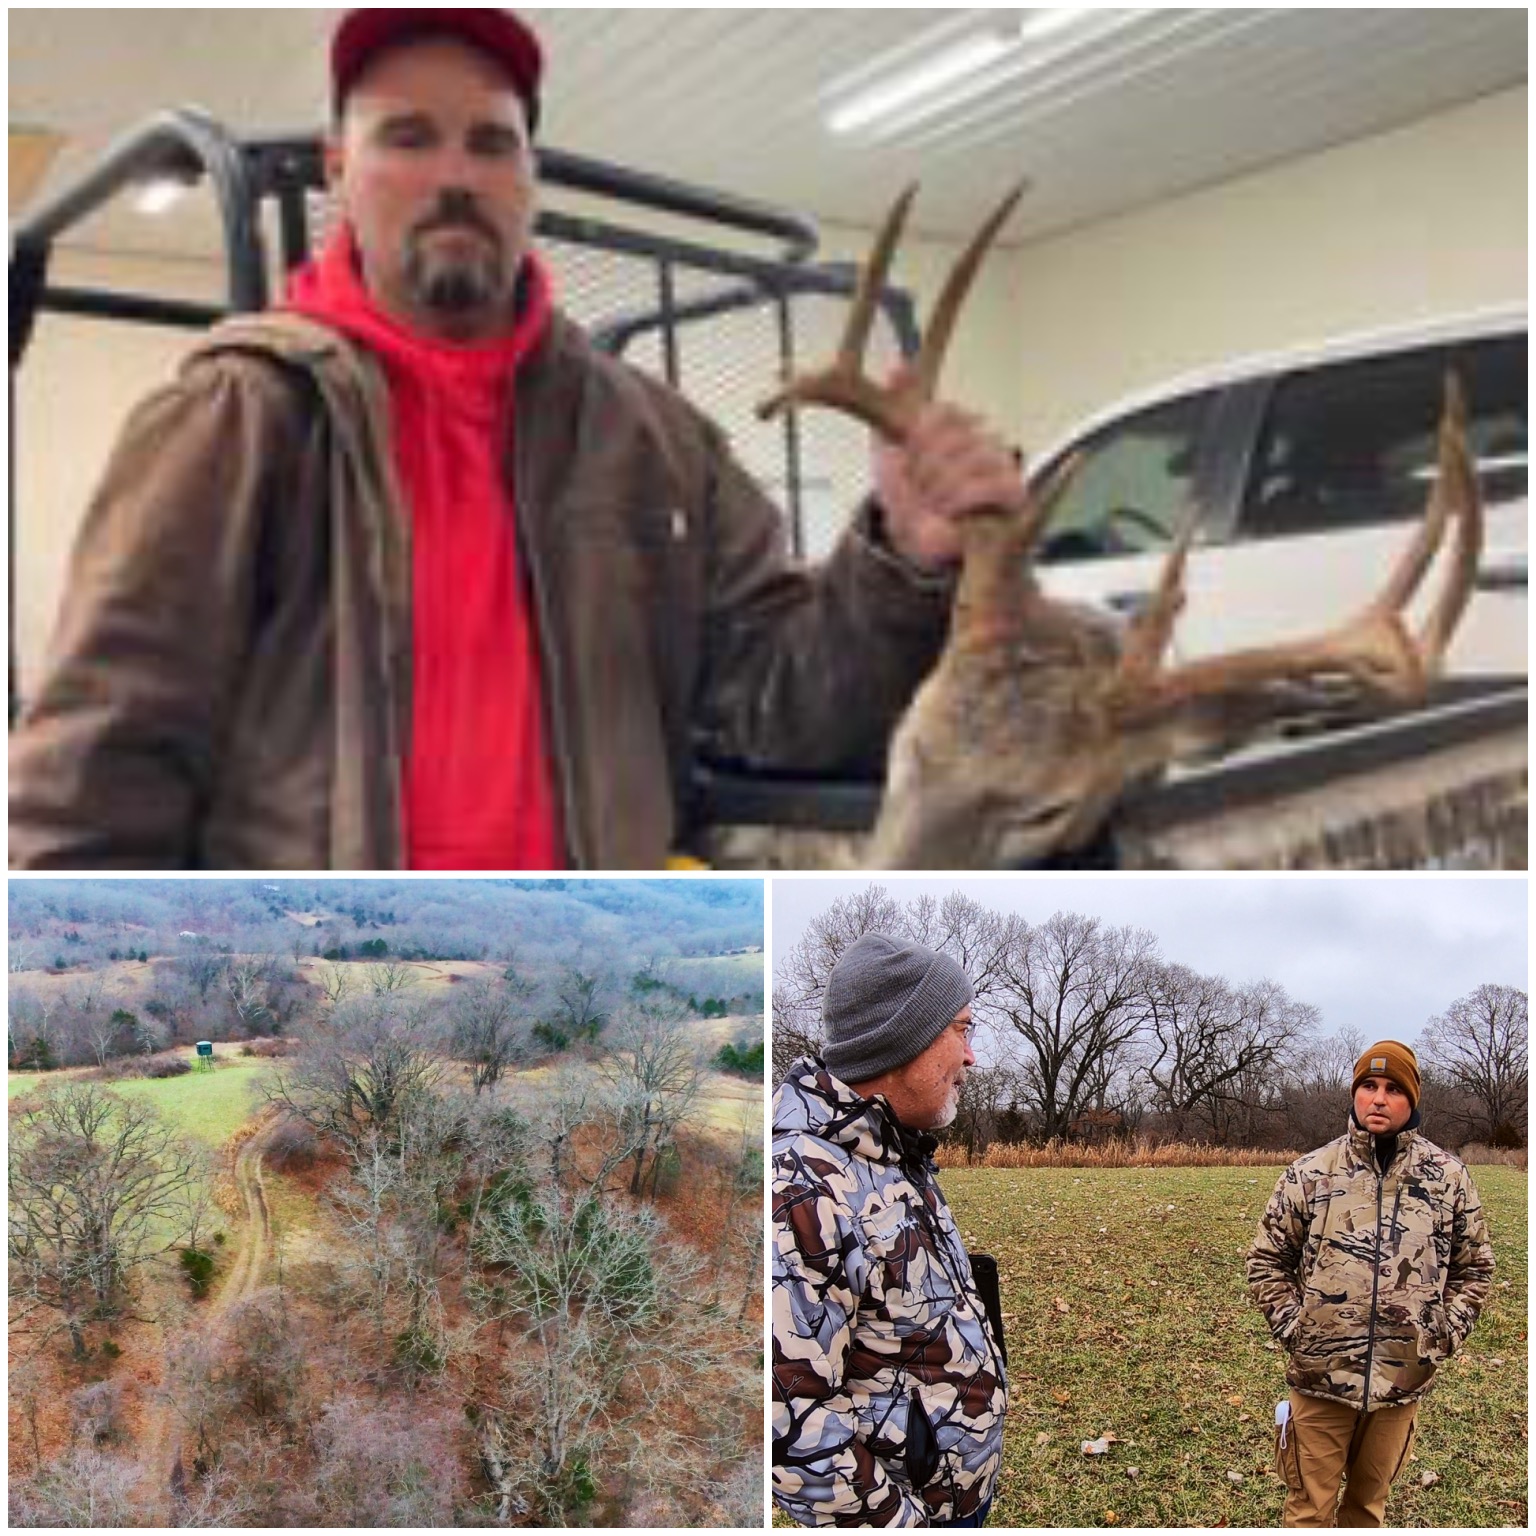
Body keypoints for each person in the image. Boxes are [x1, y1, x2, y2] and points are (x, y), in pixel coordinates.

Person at [9, 8, 1028, 872]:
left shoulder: (653, 437)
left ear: (527, 174)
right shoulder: (240, 417)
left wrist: (900, 557)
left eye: (490, 142)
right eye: (407, 137)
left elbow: (781, 705)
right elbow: (96, 777)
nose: (456, 174)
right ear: (339, 169)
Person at [773, 933, 1008, 1527]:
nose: (971, 1057)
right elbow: (788, 1423)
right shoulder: (801, 1188)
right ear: (907, 1042)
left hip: (953, 1503)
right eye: (962, 1029)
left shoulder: (891, 1152)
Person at [1246, 1040, 1495, 1528]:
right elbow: (1267, 1260)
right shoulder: (1310, 1173)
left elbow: (1475, 1269)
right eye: (1368, 1086)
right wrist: (1298, 1329)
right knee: (1308, 1514)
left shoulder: (1448, 1178)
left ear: (1413, 1101)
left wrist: (1440, 1335)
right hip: (1321, 1380)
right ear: (1355, 1094)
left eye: (1393, 1089)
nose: (1378, 1099)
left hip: (1401, 1382)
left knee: (1365, 1512)